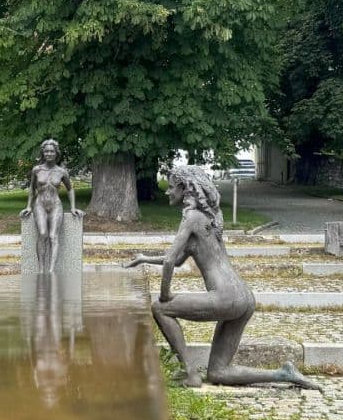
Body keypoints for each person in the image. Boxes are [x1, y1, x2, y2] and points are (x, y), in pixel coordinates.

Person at [124, 164, 318, 390]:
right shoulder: (211, 217)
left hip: (225, 297)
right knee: (218, 372)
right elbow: (177, 260)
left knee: (160, 308)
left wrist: (165, 294)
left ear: (185, 188)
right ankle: (284, 374)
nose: (167, 191)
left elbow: (169, 261)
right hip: (244, 298)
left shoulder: (191, 217)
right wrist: (144, 258)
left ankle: (190, 374)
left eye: (171, 186)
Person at [20, 139, 81, 273]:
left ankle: (51, 271)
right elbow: (32, 189)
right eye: (46, 151)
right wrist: (28, 206)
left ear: (56, 153)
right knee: (43, 234)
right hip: (40, 204)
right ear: (43, 153)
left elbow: (70, 189)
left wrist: (73, 207)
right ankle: (42, 269)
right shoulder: (37, 170)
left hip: (55, 205)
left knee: (53, 236)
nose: (49, 154)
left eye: (52, 151)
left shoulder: (61, 172)